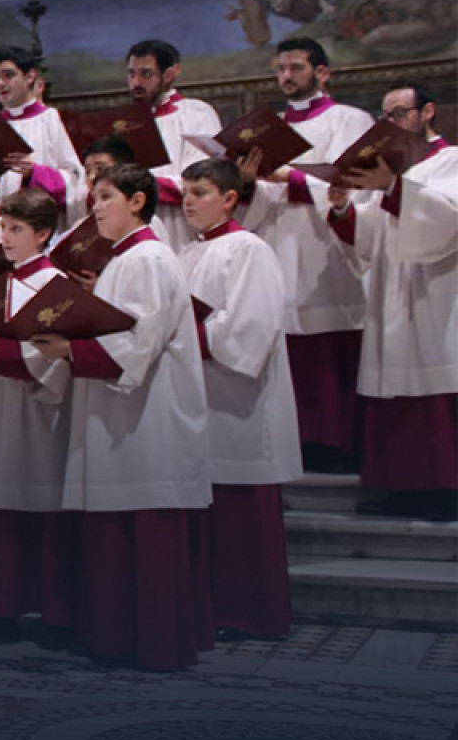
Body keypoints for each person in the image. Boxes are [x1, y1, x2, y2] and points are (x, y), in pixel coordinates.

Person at [43, 163, 213, 671]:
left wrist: (71, 351)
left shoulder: (147, 258)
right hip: (124, 415)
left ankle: (148, 641)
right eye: (94, 197)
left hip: (147, 419)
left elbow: (139, 341)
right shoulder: (127, 258)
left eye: (106, 197)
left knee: (142, 532)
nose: (94, 207)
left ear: (138, 201)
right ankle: (122, 637)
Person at [239, 38, 375, 475]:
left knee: (329, 348)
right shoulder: (270, 126)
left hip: (326, 248)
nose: (286, 77)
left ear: (322, 72)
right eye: (280, 69)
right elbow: (256, 200)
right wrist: (247, 182)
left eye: (295, 68)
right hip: (278, 238)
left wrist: (291, 177)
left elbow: (356, 180)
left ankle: (337, 445)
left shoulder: (350, 120)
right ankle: (294, 442)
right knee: (287, 344)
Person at [179, 158, 300, 639]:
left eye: (201, 192)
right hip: (200, 396)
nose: (188, 200)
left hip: (241, 402)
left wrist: (187, 338)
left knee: (241, 514)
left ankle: (251, 612)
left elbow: (254, 325)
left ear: (230, 198)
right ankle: (211, 607)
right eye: (186, 191)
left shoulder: (247, 248)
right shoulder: (185, 253)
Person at [328, 87, 458, 522]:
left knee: (434, 398)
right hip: (391, 296)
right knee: (394, 397)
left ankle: (445, 489)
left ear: (428, 113)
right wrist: (345, 207)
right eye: (383, 116)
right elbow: (371, 233)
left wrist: (396, 187)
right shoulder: (384, 170)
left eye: (400, 113)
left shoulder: (451, 160)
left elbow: (447, 218)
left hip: (436, 296)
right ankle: (400, 488)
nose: (391, 123)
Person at [0, 188, 76, 645]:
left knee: (39, 508)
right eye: (4, 227)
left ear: (43, 233)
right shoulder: (0, 287)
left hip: (36, 412)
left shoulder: (56, 287)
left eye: (16, 229)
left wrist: (0, 349)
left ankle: (53, 612)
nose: (6, 237)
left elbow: (58, 358)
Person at [124, 39, 222, 251]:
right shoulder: (126, 124)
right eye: (131, 73)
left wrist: (142, 186)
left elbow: (203, 179)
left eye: (146, 74)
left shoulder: (196, 114)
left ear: (170, 74)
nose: (136, 82)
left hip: (182, 228)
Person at [0, 46, 82, 218]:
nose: (1, 83)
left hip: (46, 226)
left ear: (30, 76)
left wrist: (35, 173)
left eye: (8, 75)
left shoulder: (58, 121)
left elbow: (78, 182)